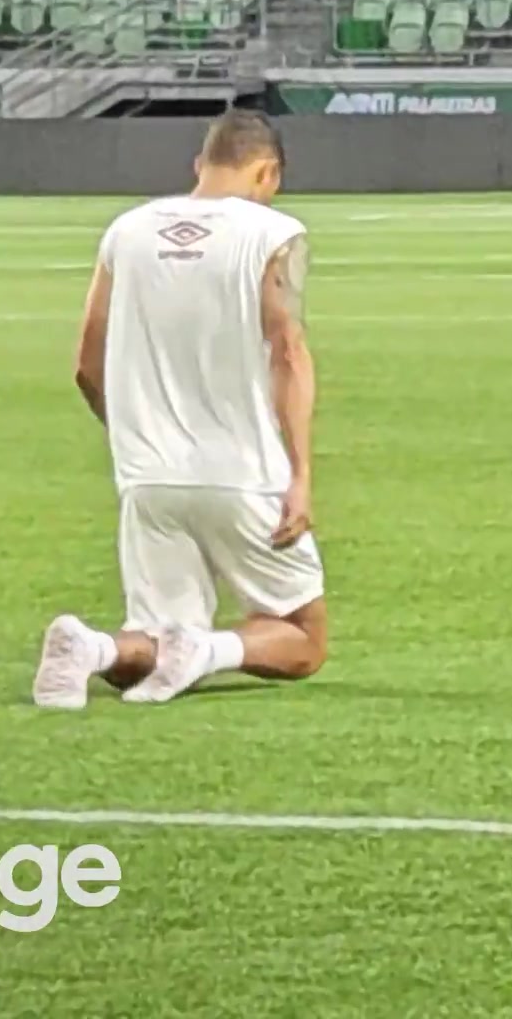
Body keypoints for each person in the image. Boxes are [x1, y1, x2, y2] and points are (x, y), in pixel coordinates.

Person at [32, 110, 329, 709]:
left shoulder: (126, 231)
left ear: (200, 165)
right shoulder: (274, 233)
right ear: (268, 173)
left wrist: (136, 437)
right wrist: (300, 475)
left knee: (152, 640)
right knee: (304, 639)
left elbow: (86, 363)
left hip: (148, 477)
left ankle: (93, 649)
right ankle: (208, 650)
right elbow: (288, 353)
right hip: (243, 473)